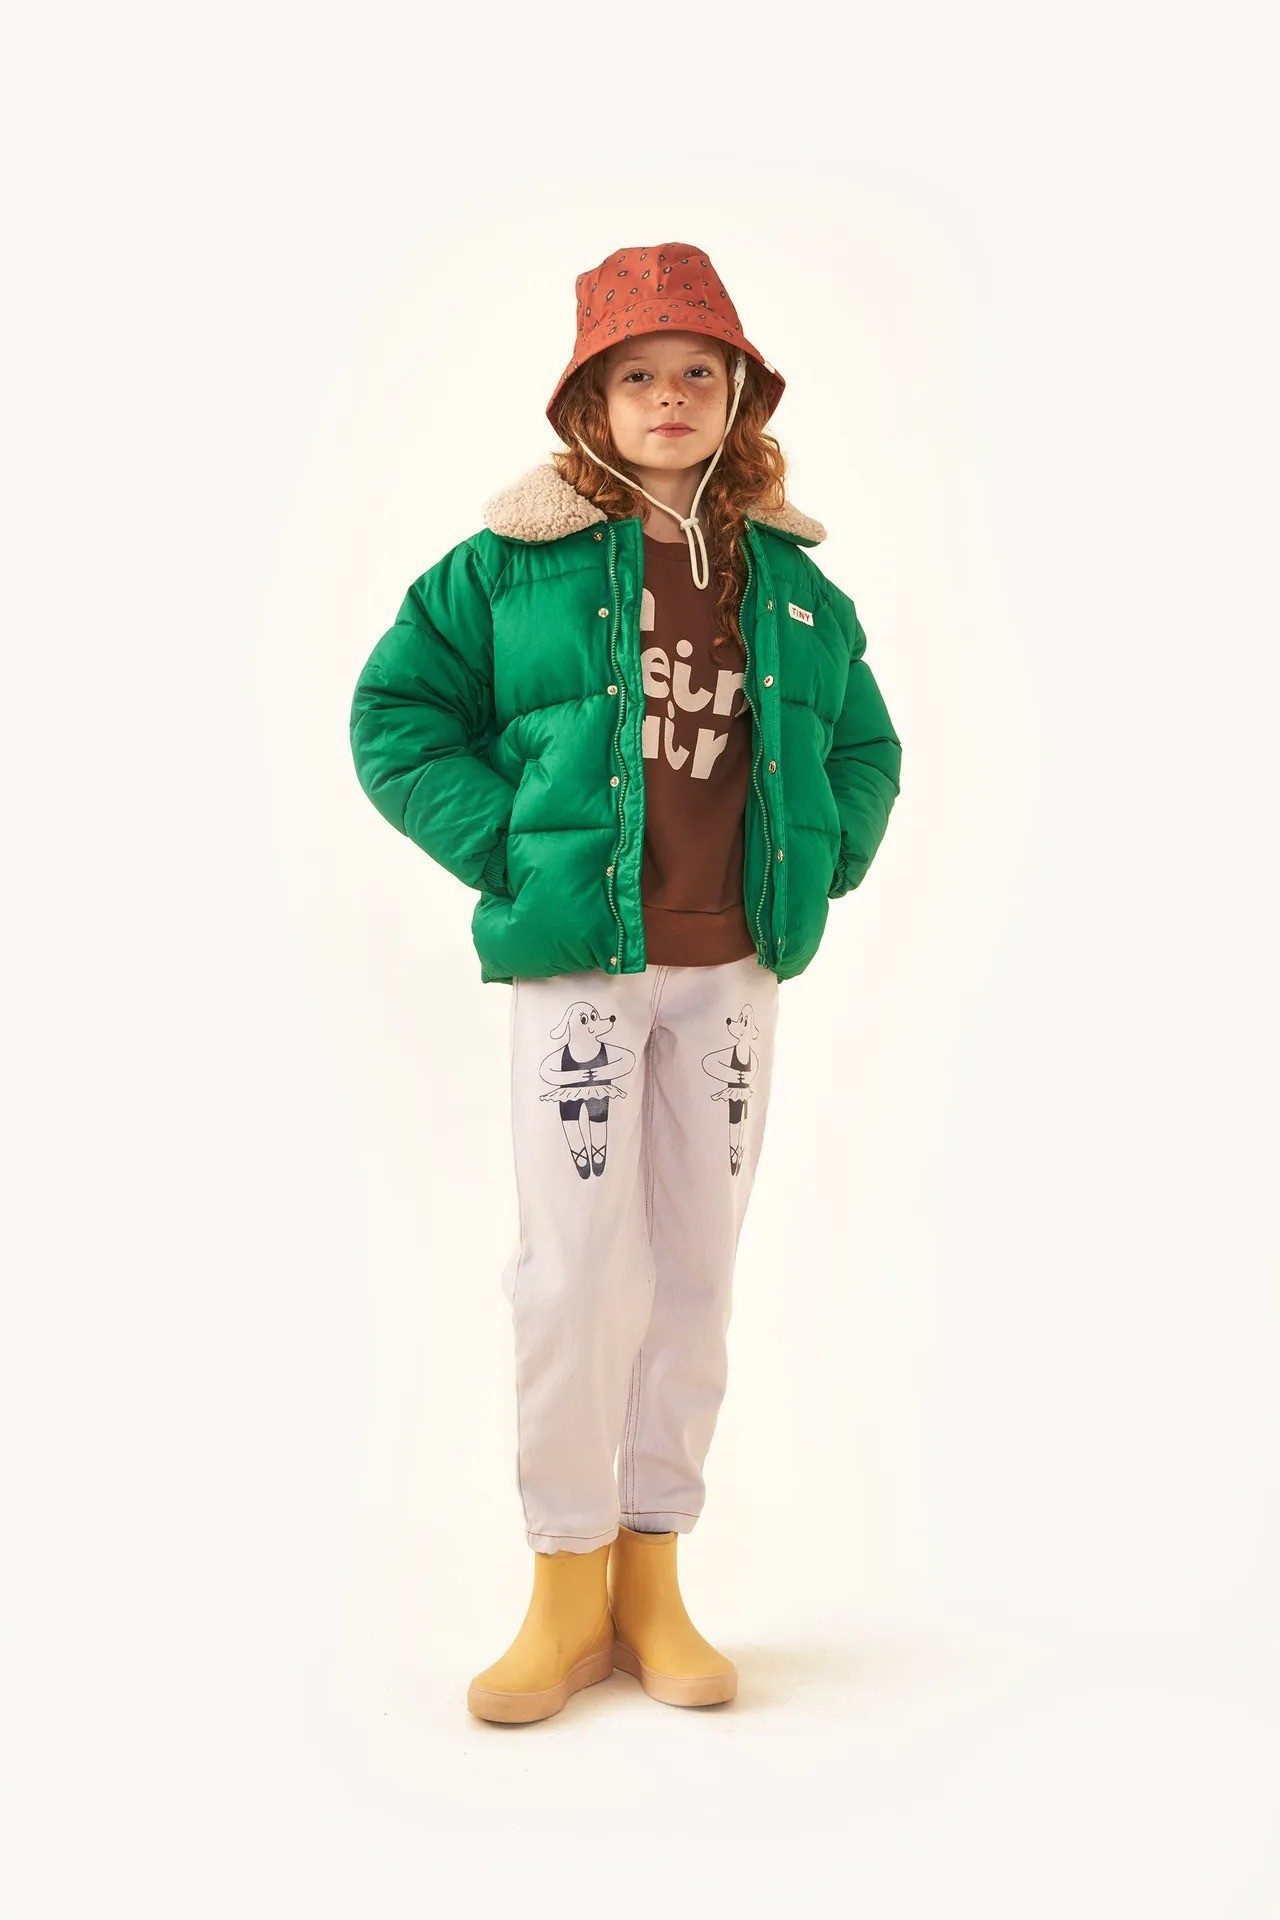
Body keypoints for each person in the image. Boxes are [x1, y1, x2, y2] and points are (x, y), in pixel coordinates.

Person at [349, 242, 902, 1724]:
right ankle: (561, 1588)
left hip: (732, 974)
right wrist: (519, 854)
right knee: (572, 1273)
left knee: (696, 1270)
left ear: (740, 396)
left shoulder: (792, 582)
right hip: (582, 974)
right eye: (639, 373)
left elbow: (865, 744)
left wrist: (819, 862)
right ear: (587, 402)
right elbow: (395, 715)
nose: (670, 396)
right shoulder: (503, 566)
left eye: (698, 372)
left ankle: (654, 1580)